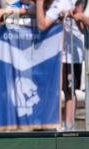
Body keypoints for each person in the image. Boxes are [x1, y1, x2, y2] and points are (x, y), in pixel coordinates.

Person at [36, 0, 84, 130]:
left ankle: (68, 125)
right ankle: (54, 122)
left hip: (71, 55)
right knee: (54, 89)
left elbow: (42, 25)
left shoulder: (61, 3)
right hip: (56, 54)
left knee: (69, 90)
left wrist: (39, 4)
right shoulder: (55, 4)